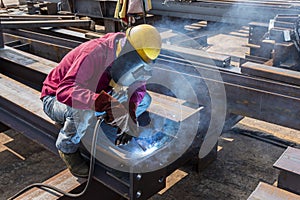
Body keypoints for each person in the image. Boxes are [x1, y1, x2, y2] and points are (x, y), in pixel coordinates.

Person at [40, 24, 162, 177]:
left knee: (145, 100)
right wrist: (105, 103)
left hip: (97, 94)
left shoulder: (132, 58)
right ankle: (67, 149)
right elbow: (64, 91)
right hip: (56, 100)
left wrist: (129, 114)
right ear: (126, 51)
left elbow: (139, 88)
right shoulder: (94, 52)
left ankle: (105, 122)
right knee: (82, 111)